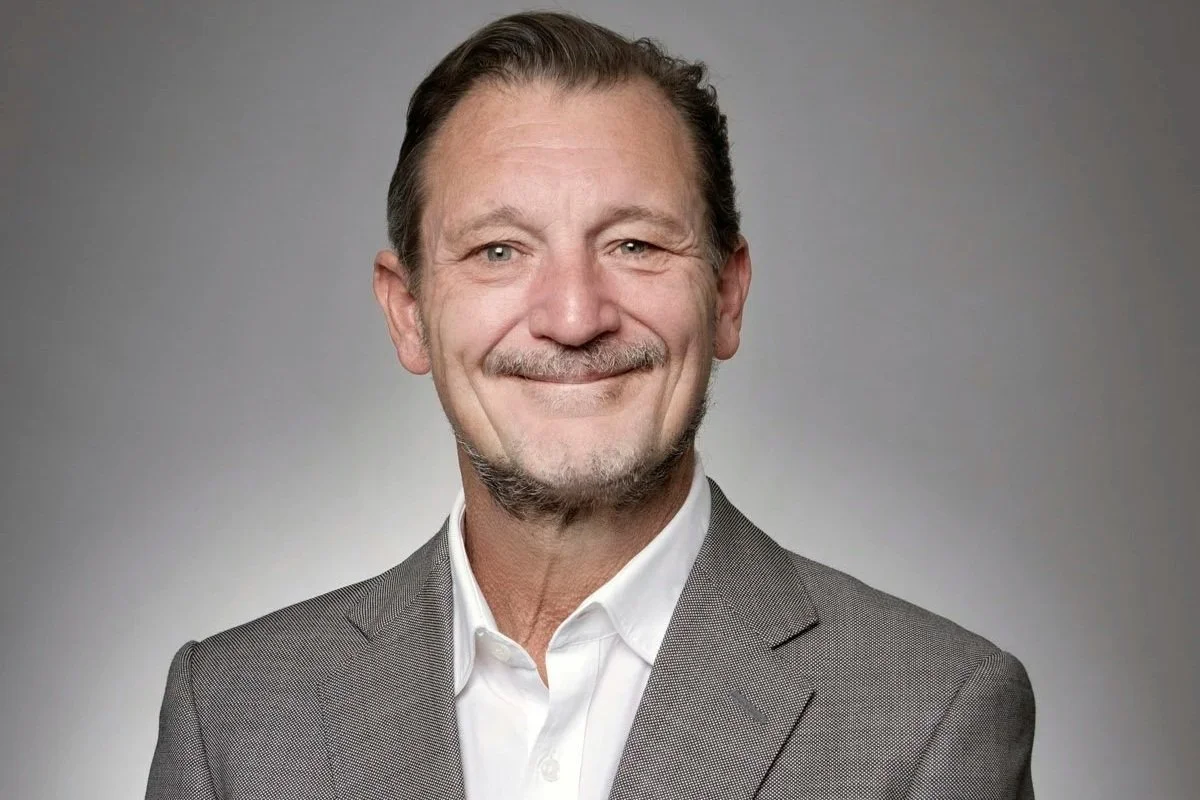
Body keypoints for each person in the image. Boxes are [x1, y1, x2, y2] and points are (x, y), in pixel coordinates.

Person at [146, 11, 1035, 800]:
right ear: (408, 313)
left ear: (726, 295)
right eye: (499, 251)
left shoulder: (932, 717)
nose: (574, 318)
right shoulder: (230, 716)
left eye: (635, 244)